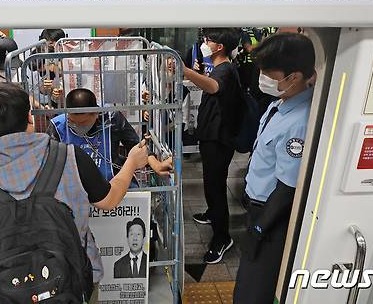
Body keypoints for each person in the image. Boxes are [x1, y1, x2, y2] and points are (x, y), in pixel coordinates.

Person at [0, 83, 152, 303]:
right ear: (30, 117)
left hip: (13, 290)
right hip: (73, 281)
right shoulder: (70, 158)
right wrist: (131, 163)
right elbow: (109, 200)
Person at [233, 33, 316, 304]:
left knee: (253, 293)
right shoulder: (279, 105)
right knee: (246, 283)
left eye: (269, 72)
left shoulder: (300, 122)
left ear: (294, 77)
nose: (263, 77)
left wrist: (259, 230)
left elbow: (287, 188)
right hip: (256, 209)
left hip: (270, 219)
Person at [182, 28, 245, 264]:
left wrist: (186, 71)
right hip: (213, 135)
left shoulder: (226, 69)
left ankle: (222, 237)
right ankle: (212, 214)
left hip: (219, 139)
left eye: (209, 41)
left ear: (219, 47)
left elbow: (213, 87)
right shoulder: (221, 67)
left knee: (215, 186)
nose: (205, 44)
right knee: (212, 181)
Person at [47, 88, 173, 181]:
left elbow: (135, 145)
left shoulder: (112, 118)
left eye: (83, 122)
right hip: (73, 185)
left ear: (96, 113)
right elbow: (49, 160)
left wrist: (157, 165)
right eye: (72, 122)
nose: (78, 126)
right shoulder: (58, 126)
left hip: (113, 181)